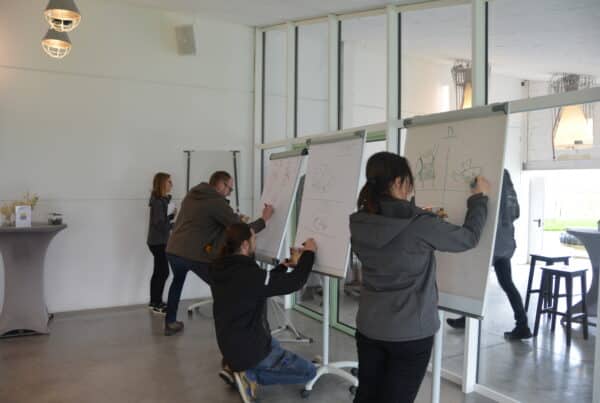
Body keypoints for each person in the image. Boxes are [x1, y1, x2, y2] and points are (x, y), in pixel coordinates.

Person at [349, 152, 489, 403]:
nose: (410, 188)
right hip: (410, 332)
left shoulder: (360, 221)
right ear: (398, 182)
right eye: (409, 182)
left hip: (369, 326)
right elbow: (468, 238)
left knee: (366, 395)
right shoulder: (420, 224)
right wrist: (479, 199)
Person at [210, 223, 317, 402]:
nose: (256, 242)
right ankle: (249, 375)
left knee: (275, 345)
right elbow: (295, 282)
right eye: (254, 239)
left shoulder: (220, 268)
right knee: (310, 372)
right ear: (245, 245)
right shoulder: (248, 273)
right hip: (251, 348)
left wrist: (283, 266)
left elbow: (259, 285)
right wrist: (309, 253)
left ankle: (236, 366)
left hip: (230, 344)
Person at [164, 171, 274, 336]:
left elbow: (204, 221)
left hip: (174, 249)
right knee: (222, 287)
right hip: (194, 254)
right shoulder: (215, 201)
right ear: (221, 184)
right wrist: (264, 220)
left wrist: (230, 218)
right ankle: (228, 330)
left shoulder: (193, 194)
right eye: (229, 188)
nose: (229, 193)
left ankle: (170, 322)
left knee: (177, 283)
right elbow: (241, 230)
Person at [447, 169, 532, 340]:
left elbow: (487, 213)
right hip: (505, 243)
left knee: (475, 282)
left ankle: (468, 318)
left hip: (492, 243)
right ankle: (522, 325)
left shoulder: (493, 182)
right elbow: (516, 213)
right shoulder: (509, 186)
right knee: (506, 283)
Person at [147, 172, 176, 314]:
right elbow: (159, 224)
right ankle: (156, 303)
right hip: (158, 242)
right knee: (163, 272)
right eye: (169, 181)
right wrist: (174, 224)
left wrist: (171, 216)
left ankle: (155, 302)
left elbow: (161, 220)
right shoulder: (158, 202)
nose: (172, 184)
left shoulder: (161, 201)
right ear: (162, 183)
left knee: (159, 272)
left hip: (158, 241)